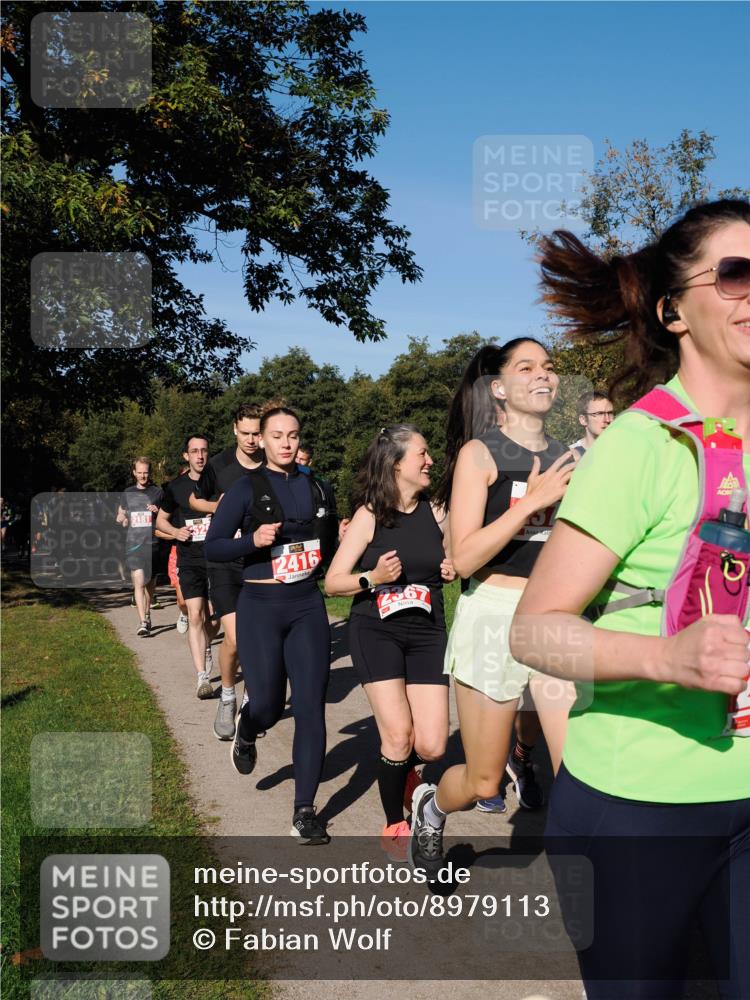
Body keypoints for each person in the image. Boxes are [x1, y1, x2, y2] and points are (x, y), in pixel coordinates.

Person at [510, 199, 750, 999]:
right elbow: (535, 633)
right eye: (736, 274)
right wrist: (667, 657)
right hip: (638, 810)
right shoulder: (639, 447)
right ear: (672, 307)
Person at [408, 340, 578, 877]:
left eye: (548, 367)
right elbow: (464, 555)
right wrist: (532, 501)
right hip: (493, 615)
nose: (543, 375)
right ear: (499, 388)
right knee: (483, 782)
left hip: (556, 616)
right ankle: (432, 808)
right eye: (526, 368)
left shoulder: (568, 459)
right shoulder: (479, 454)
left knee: (579, 767)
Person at [205, 403, 337, 845]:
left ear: (300, 440)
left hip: (307, 606)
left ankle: (304, 810)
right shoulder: (246, 489)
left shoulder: (317, 487)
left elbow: (333, 544)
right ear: (261, 439)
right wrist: (251, 541)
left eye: (293, 435)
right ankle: (247, 727)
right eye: (277, 435)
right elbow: (213, 548)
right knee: (267, 705)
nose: (286, 443)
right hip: (261, 604)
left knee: (310, 707)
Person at [325, 425, 455, 859]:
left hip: (427, 630)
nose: (430, 461)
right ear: (397, 462)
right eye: (423, 453)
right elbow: (333, 583)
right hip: (375, 628)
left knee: (434, 744)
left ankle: (405, 777)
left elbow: (454, 554)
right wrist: (372, 577)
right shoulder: (369, 515)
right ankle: (394, 821)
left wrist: (454, 565)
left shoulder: (438, 510)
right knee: (398, 735)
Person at [188, 404, 264, 740]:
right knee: (235, 637)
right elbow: (194, 500)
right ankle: (229, 695)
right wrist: (220, 509)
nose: (251, 440)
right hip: (224, 563)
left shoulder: (272, 464)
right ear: (235, 429)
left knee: (257, 637)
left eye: (256, 433)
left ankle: (249, 702)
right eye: (245, 433)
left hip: (260, 562)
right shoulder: (218, 466)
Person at [156, 437, 218, 698]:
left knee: (213, 618)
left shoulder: (220, 483)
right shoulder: (175, 487)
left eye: (204, 451)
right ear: (186, 456)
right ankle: (202, 677)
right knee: (195, 615)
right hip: (190, 560)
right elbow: (160, 521)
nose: (200, 456)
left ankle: (206, 645)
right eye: (195, 451)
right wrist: (175, 532)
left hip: (219, 559)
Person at [116, 458, 164, 636]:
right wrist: (123, 518)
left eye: (146, 472)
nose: (143, 475)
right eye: (140, 472)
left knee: (150, 584)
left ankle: (148, 613)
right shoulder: (127, 492)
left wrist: (157, 511)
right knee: (139, 582)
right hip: (134, 543)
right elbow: (121, 513)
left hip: (152, 542)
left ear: (149, 473)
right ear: (134, 473)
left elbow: (167, 516)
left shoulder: (158, 492)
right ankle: (143, 622)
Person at [569, 390, 614, 454]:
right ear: (583, 420)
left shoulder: (624, 450)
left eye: (610, 413)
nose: (607, 420)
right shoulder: (570, 456)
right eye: (599, 413)